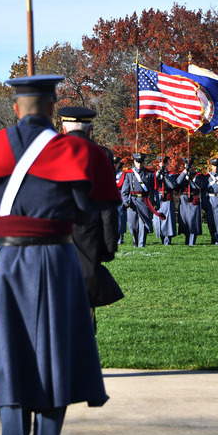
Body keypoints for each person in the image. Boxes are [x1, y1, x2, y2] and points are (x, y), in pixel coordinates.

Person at [0, 74, 119, 435]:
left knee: (8, 356)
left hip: (6, 262)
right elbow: (89, 209)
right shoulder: (79, 152)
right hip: (58, 258)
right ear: (52, 106)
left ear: (14, 108)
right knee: (54, 357)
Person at [57, 105, 123, 321]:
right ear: (90, 129)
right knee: (86, 298)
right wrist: (109, 245)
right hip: (88, 233)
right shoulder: (102, 154)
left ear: (63, 128)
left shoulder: (49, 150)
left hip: (53, 232)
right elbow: (107, 205)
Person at [120, 153, 155, 247]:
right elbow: (124, 191)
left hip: (144, 201)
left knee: (143, 223)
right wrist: (126, 201)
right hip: (133, 201)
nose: (139, 164)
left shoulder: (149, 174)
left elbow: (153, 190)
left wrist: (155, 202)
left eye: (141, 162)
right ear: (134, 162)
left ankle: (141, 243)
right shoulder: (129, 174)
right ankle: (135, 239)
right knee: (132, 225)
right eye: (137, 162)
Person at [177, 158, 205, 245]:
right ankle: (187, 238)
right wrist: (185, 172)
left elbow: (201, 186)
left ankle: (192, 239)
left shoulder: (198, 175)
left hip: (193, 198)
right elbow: (178, 182)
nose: (189, 166)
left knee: (193, 220)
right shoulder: (182, 174)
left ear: (193, 165)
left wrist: (193, 178)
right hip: (184, 198)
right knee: (184, 220)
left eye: (190, 164)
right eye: (187, 164)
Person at [153, 155, 177, 245]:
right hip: (158, 197)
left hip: (167, 197)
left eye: (164, 163)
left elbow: (172, 185)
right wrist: (160, 172)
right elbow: (154, 181)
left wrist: (165, 175)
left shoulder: (171, 174)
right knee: (158, 219)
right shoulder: (155, 173)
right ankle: (162, 237)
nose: (162, 165)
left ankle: (168, 238)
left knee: (168, 219)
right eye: (161, 163)